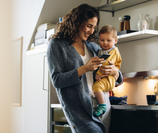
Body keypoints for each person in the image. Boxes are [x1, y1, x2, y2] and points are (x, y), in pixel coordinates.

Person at [47, 4, 123, 133]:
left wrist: (116, 72)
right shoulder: (57, 45)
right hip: (79, 109)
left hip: (102, 103)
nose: (92, 31)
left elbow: (118, 79)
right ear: (76, 22)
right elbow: (57, 80)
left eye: (94, 27)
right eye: (88, 26)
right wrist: (84, 68)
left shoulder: (92, 47)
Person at [93, 25, 122, 117]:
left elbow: (106, 65)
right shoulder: (103, 50)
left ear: (115, 41)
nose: (105, 43)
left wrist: (98, 74)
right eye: (102, 40)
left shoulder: (113, 51)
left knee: (97, 87)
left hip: (108, 78)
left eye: (108, 40)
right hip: (108, 78)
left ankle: (102, 106)